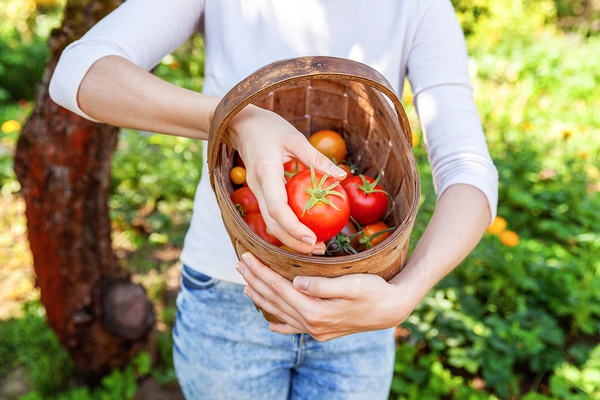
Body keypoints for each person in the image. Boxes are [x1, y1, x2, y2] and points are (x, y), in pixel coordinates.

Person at [49, 0, 499, 399]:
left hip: (358, 311)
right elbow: (78, 73)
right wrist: (237, 117)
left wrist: (405, 293)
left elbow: (470, 170)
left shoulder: (419, 7)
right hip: (228, 296)